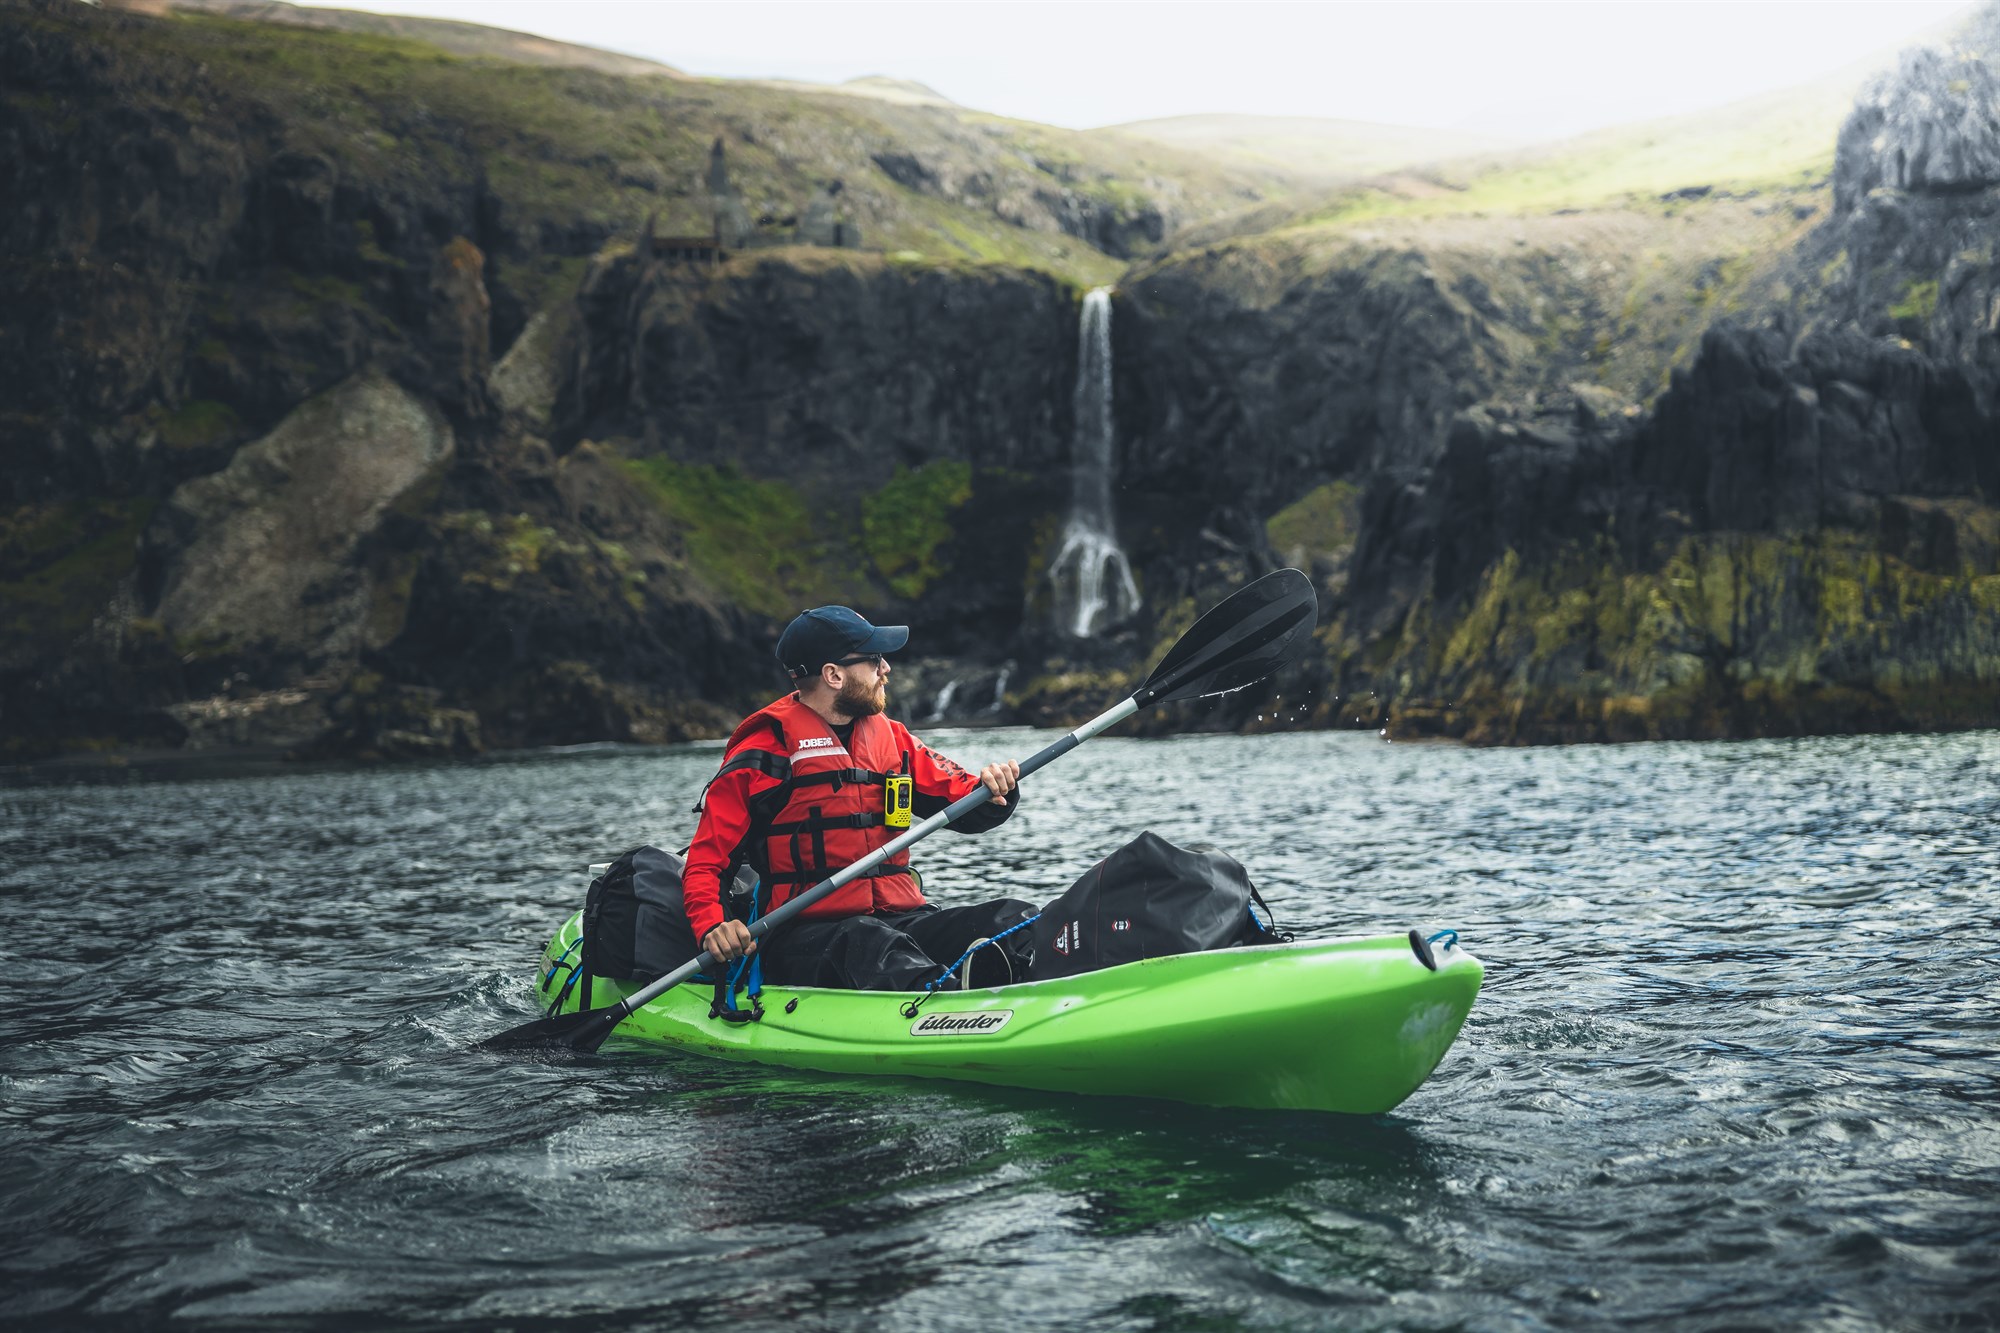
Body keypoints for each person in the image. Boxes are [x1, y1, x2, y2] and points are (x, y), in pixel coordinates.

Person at [682, 605, 1037, 992]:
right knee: (867, 941)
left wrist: (998, 788)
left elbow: (968, 807)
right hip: (804, 936)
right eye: (874, 660)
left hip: (900, 919)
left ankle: (1046, 982)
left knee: (1015, 918)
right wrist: (714, 926)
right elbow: (705, 864)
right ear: (833, 675)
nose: (886, 669)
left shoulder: (893, 739)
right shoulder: (762, 757)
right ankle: (955, 1002)